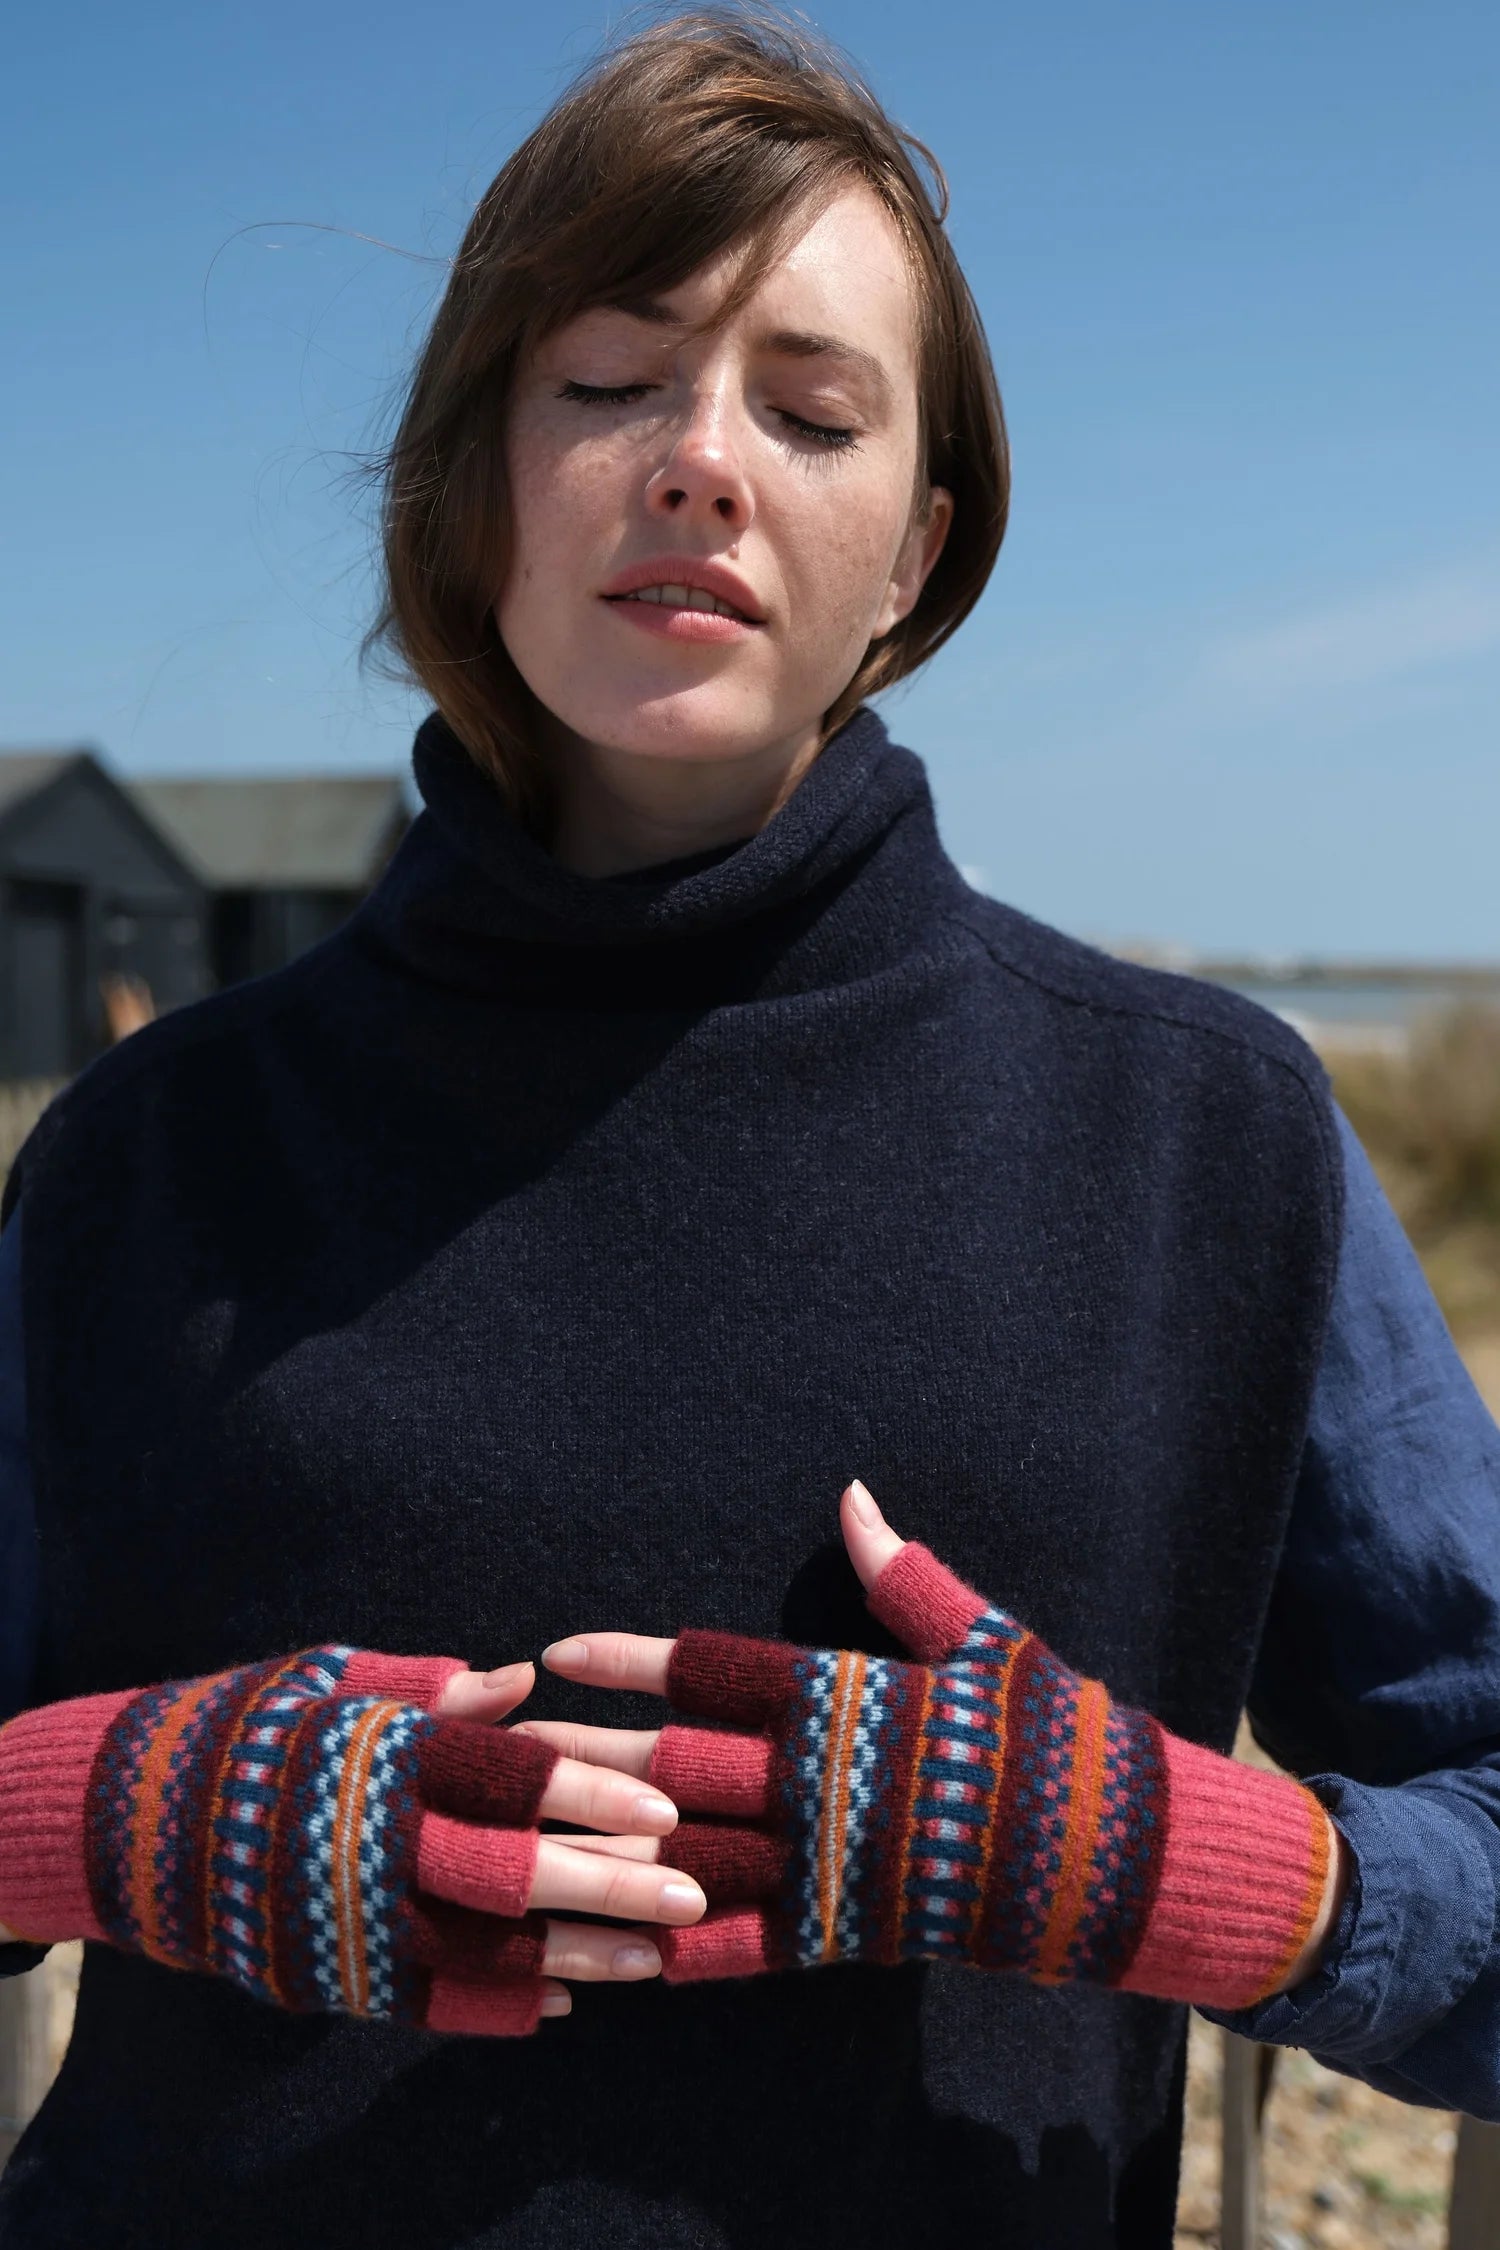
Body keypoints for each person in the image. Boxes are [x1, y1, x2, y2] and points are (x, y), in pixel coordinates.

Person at [0, 11, 1497, 2245]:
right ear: (472, 470)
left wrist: (1210, 1877)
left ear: (915, 549)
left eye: (811, 410)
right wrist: (68, 1816)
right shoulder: (145, 1151)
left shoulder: (1204, 1142)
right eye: (606, 380)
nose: (701, 460)